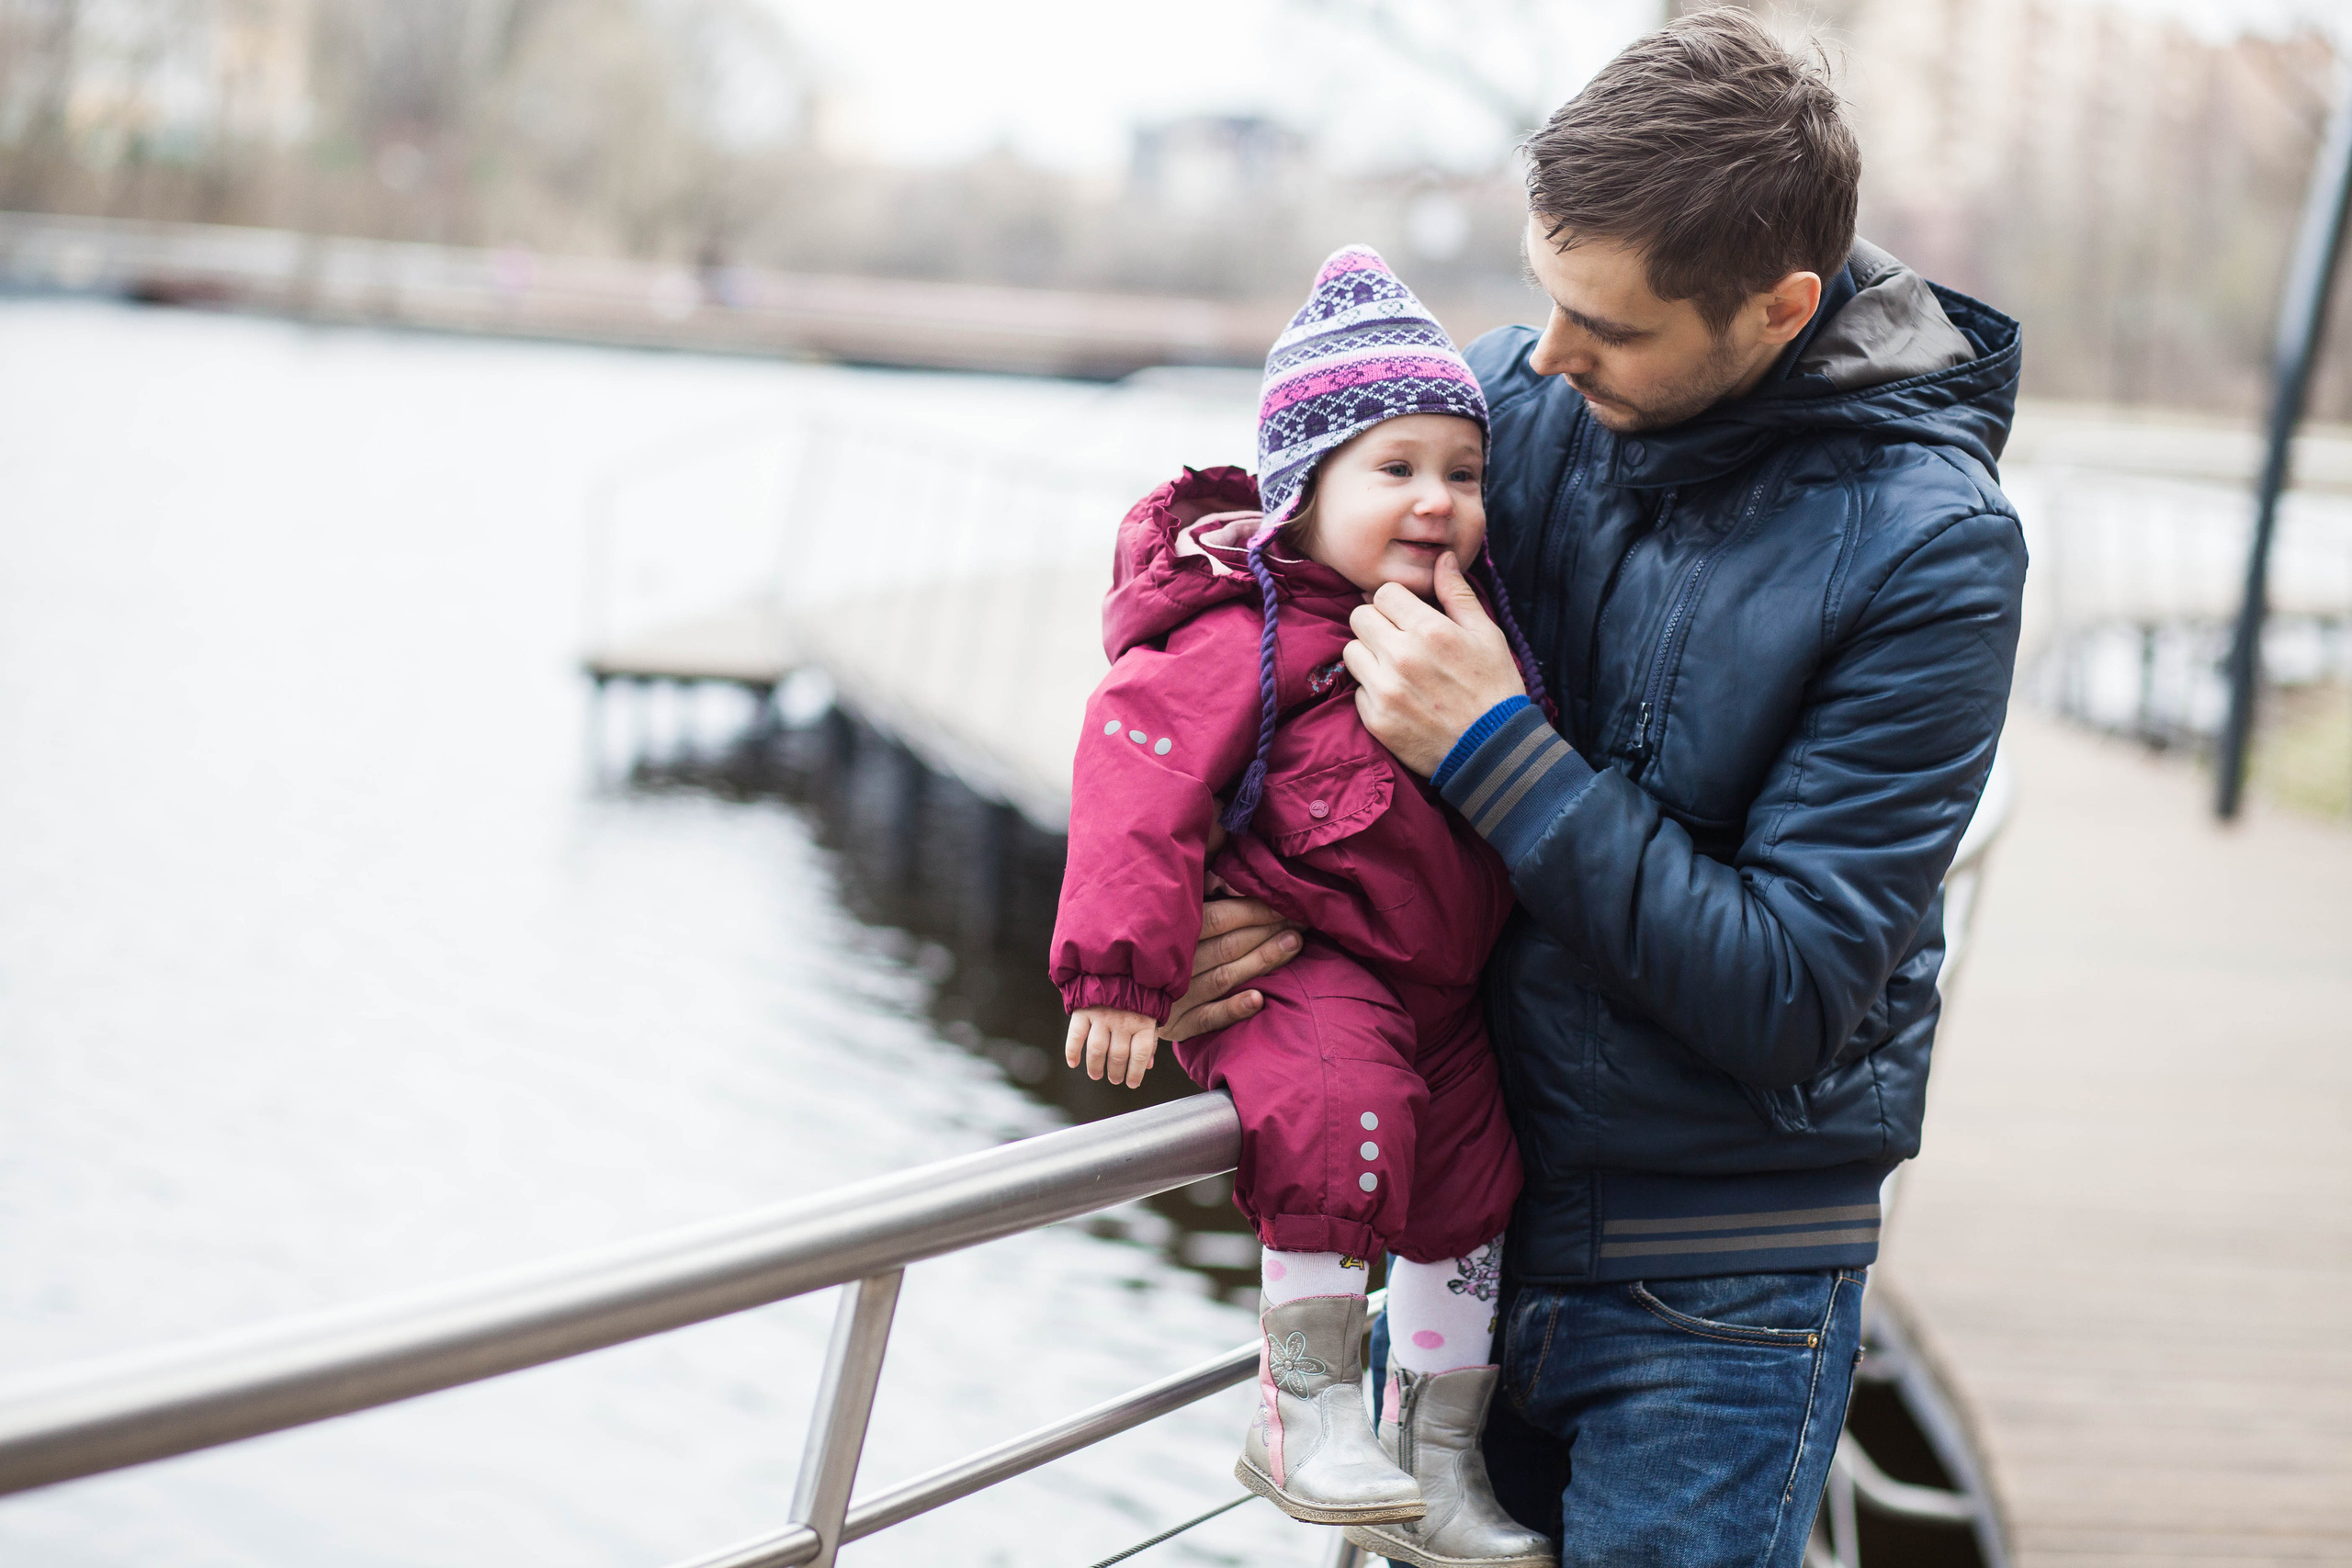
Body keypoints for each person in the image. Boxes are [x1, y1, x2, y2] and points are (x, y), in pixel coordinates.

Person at [1159, 12, 2029, 1567]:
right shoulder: (1510, 413)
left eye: (1606, 330)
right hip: (1459, 1226)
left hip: (1720, 1289)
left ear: (1778, 309)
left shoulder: (1935, 550)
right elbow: (1245, 633)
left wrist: (1493, 751)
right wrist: (1209, 903)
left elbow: (1791, 990)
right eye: (1543, 296)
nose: (1542, 361)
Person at [1051, 246, 1555, 1568]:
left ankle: (1435, 1456)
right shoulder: (1249, 631)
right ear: (1305, 488)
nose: (1439, 500)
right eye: (1396, 470)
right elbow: (1138, 768)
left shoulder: (1471, 620)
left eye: (1464, 472)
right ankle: (1306, 1410)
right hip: (1304, 967)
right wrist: (1122, 972)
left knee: (1475, 1185)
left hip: (1438, 981)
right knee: (1339, 1120)